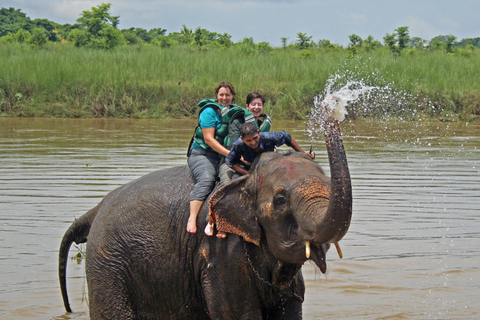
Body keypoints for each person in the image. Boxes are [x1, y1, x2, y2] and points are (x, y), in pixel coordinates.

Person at [186, 82, 253, 236]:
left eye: (227, 95)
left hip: (223, 156)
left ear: (232, 96)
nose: (224, 98)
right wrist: (230, 154)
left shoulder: (236, 112)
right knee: (207, 179)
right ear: (216, 95)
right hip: (202, 154)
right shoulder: (209, 112)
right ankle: (192, 217)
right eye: (221, 94)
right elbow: (209, 139)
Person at [226, 122, 315, 177]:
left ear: (258, 133)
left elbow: (287, 137)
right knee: (235, 182)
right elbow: (230, 162)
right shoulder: (238, 145)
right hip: (250, 167)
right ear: (242, 139)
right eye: (248, 141)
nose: (253, 143)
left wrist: (302, 154)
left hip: (272, 165)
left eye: (255, 138)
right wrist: (247, 173)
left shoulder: (269, 137)